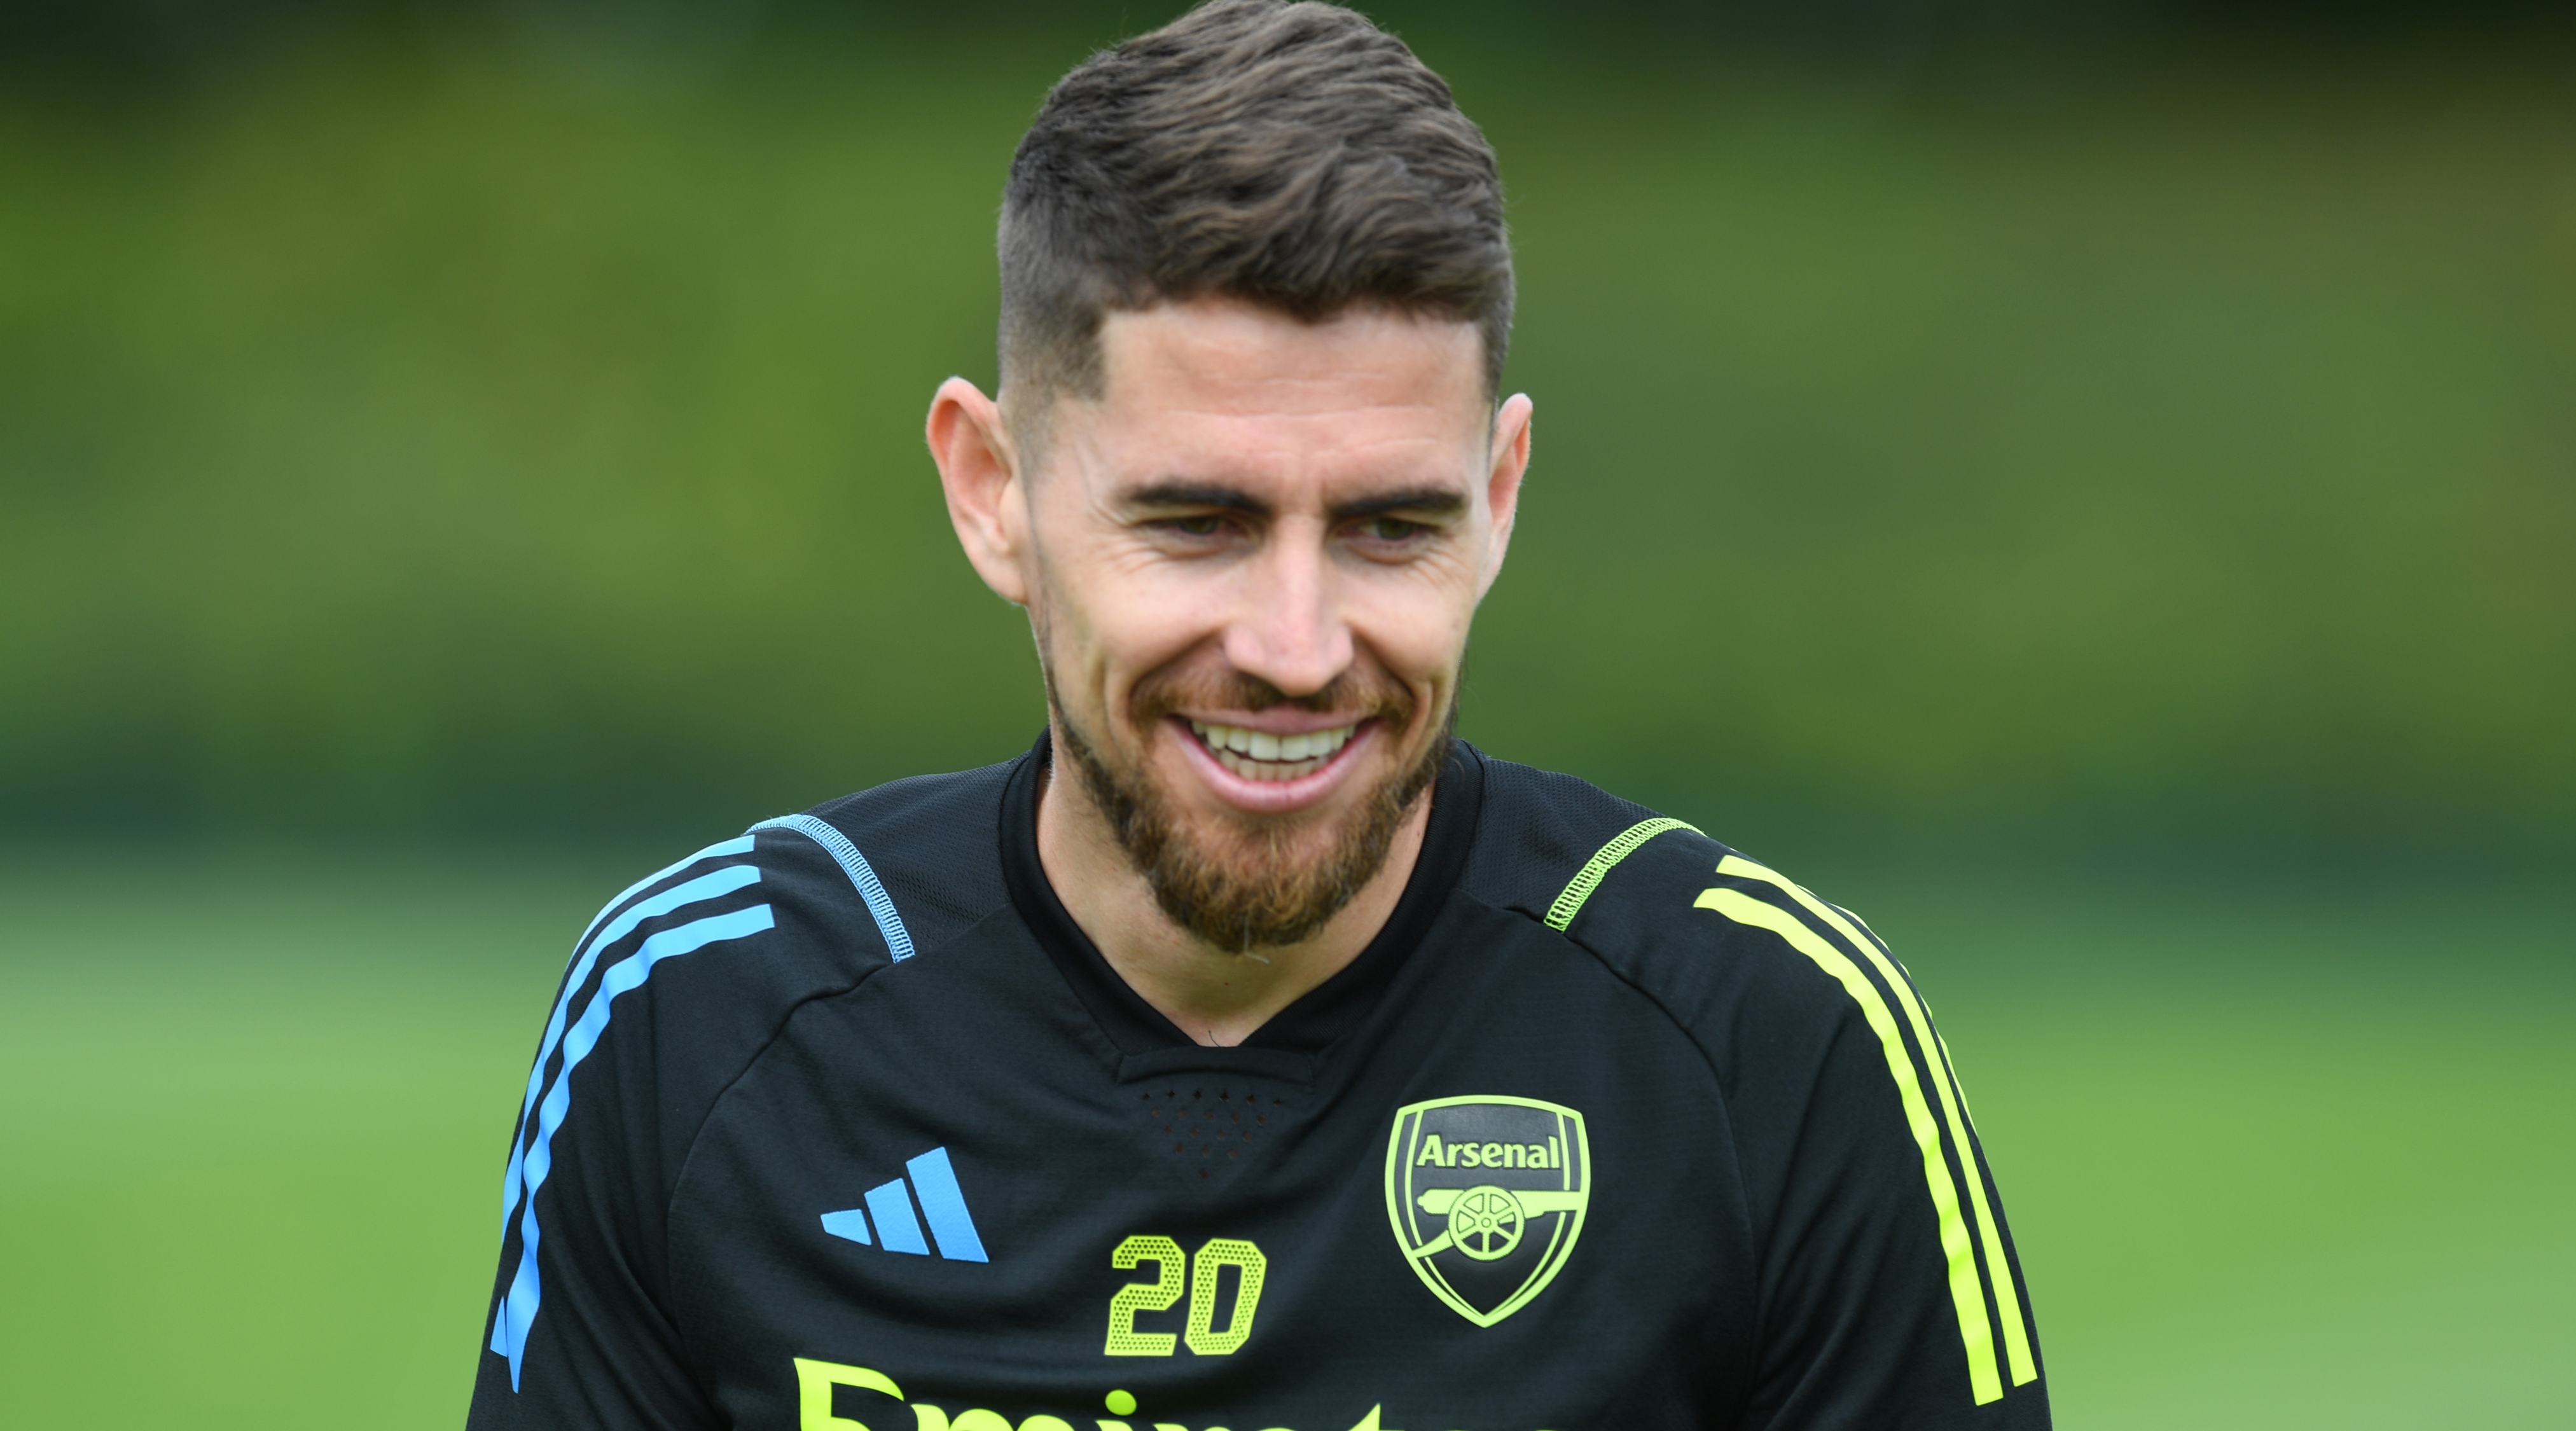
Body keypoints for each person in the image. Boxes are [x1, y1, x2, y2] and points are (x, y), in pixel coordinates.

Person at [464, 3, 2050, 1428]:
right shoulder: (698, 1021)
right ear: (992, 489)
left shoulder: (1770, 1040)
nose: (1297, 649)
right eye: (1198, 523)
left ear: (1497, 501)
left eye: (1389, 528)